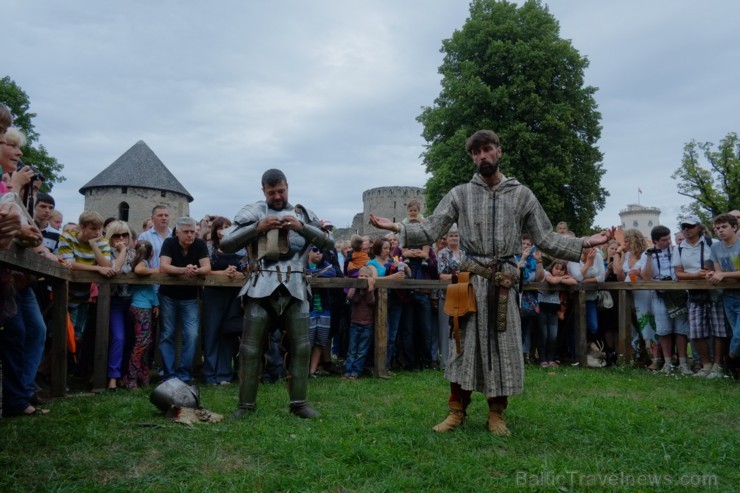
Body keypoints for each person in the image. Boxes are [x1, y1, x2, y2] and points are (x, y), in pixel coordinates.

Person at [370, 129, 612, 435]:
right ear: (472, 157)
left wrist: (587, 241)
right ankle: (456, 410)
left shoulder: (522, 194)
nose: (482, 156)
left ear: (499, 151)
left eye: (487, 149)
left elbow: (546, 237)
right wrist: (394, 226)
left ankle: (496, 413)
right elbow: (432, 228)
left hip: (504, 283)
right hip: (470, 280)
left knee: (502, 347)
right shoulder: (460, 194)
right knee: (463, 345)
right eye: (476, 152)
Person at [220, 169, 334, 419]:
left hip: (296, 284)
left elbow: (329, 242)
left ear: (287, 186)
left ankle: (299, 403)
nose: (278, 196)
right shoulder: (255, 211)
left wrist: (302, 227)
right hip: (260, 284)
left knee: (302, 347)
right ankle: (245, 406)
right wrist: (256, 228)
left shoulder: (302, 213)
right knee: (250, 348)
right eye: (272, 192)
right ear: (263, 191)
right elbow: (226, 244)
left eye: (281, 190)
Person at [673, 215, 727, 379]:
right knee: (696, 332)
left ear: (699, 227)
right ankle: (706, 366)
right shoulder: (680, 248)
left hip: (715, 292)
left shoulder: (714, 243)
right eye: (684, 226)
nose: (686, 229)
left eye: (690, 226)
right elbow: (678, 273)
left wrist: (712, 272)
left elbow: (723, 266)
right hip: (694, 293)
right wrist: (696, 275)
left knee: (719, 330)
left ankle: (717, 366)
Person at [158, 216, 211, 383]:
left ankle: (184, 373)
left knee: (192, 335)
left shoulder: (200, 244)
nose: (190, 235)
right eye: (186, 232)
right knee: (167, 334)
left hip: (190, 297)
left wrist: (195, 270)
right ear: (178, 232)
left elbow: (207, 267)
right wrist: (184, 270)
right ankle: (169, 374)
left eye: (193, 232)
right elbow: (164, 266)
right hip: (168, 295)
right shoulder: (169, 243)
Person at [201, 216, 246, 386]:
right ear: (215, 230)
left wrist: (236, 273)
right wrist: (223, 273)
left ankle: (225, 373)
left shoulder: (240, 249)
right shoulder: (209, 248)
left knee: (227, 333)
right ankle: (210, 374)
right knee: (212, 333)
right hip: (213, 295)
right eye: (220, 227)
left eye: (227, 227)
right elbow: (204, 270)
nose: (223, 230)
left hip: (233, 295)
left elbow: (247, 271)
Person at [641, 225, 692, 375]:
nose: (668, 241)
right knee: (664, 330)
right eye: (664, 239)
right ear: (655, 240)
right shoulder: (647, 254)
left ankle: (683, 363)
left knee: (681, 330)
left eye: (669, 238)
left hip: (678, 294)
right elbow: (646, 277)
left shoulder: (677, 250)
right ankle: (668, 362)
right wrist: (650, 256)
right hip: (660, 295)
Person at [706, 213, 739, 368]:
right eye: (717, 228)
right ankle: (735, 369)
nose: (720, 230)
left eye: (724, 227)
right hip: (728, 296)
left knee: (739, 336)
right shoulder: (715, 247)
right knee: (734, 332)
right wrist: (712, 274)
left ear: (734, 227)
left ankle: (730, 360)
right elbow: (718, 271)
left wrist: (723, 274)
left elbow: (722, 274)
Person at [127, 241, 159, 389]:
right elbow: (139, 270)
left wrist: (156, 303)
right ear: (152, 253)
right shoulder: (143, 263)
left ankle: (144, 377)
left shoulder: (143, 262)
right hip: (141, 308)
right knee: (141, 343)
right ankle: (132, 378)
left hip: (143, 306)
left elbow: (150, 290)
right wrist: (157, 271)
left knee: (146, 342)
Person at [538, 260, 577, 367]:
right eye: (557, 268)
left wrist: (561, 279)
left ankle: (551, 359)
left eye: (562, 270)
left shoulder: (562, 278)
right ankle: (542, 359)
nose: (559, 271)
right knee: (544, 335)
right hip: (542, 307)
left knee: (553, 335)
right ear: (552, 268)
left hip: (554, 309)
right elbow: (552, 281)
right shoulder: (545, 273)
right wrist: (562, 278)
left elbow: (574, 282)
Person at [305, 246, 336, 377]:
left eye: (321, 251)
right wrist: (314, 272)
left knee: (320, 342)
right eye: (315, 250)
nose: (319, 253)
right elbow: (300, 272)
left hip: (324, 309)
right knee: (307, 342)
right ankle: (303, 370)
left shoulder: (325, 264)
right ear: (308, 251)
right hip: (308, 310)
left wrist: (312, 274)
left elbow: (332, 272)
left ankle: (312, 371)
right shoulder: (302, 264)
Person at [436, 225, 463, 370]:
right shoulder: (443, 253)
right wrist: (457, 276)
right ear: (446, 238)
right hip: (447, 293)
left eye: (456, 235)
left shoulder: (464, 253)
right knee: (446, 327)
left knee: (461, 328)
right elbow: (441, 274)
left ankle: (460, 360)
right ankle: (446, 362)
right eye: (451, 235)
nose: (454, 238)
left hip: (463, 293)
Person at [343, 266, 376, 380]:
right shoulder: (355, 289)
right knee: (351, 350)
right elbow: (351, 300)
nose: (363, 278)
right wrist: (354, 289)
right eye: (361, 276)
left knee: (362, 351)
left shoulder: (371, 289)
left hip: (367, 324)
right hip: (355, 323)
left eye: (366, 276)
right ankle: (347, 371)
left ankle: (355, 372)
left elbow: (371, 302)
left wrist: (370, 288)